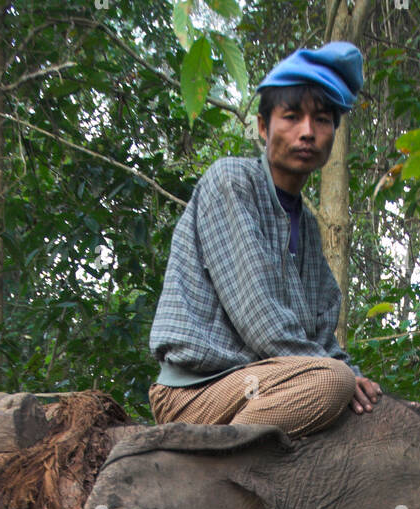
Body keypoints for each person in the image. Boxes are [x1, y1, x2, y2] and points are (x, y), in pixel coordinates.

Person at [148, 42, 381, 439]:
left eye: (322, 120)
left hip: (272, 383)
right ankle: (222, 471)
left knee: (347, 388)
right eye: (291, 117)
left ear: (332, 134)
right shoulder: (231, 183)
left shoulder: (306, 227)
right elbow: (260, 319)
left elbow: (324, 335)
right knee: (331, 383)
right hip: (197, 389)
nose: (307, 132)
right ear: (262, 126)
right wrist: (342, 378)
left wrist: (364, 385)